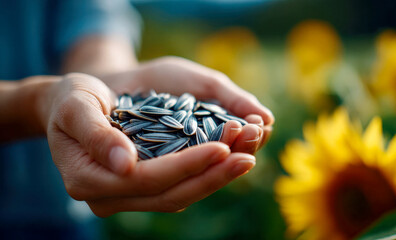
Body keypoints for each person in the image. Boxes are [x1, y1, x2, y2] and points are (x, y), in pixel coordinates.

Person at [0, 0, 274, 239]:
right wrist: (36, 102)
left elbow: (93, 24)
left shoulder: (133, 115)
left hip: (64, 220)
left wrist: (109, 81)